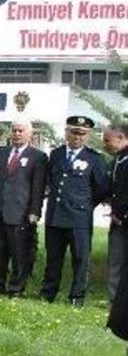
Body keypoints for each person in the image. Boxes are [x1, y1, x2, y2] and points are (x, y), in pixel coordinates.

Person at [40, 115, 110, 306]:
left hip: (79, 218)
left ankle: (76, 297)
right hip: (55, 215)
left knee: (80, 259)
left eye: (82, 134)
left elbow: (102, 188)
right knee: (53, 257)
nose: (78, 137)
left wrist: (86, 204)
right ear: (66, 133)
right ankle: (48, 293)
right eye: (74, 132)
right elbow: (50, 181)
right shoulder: (56, 154)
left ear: (88, 135)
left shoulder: (94, 158)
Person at [0, 120, 48, 297]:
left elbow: (38, 187)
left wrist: (35, 211)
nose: (17, 134)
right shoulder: (1, 153)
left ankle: (16, 288)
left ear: (29, 134)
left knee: (20, 253)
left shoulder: (38, 156)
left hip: (21, 213)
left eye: (21, 131)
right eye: (14, 130)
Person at [102, 123, 128, 303]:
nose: (104, 145)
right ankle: (115, 301)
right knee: (116, 261)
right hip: (117, 222)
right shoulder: (116, 161)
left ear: (121, 138)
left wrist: (123, 214)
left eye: (107, 140)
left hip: (124, 219)